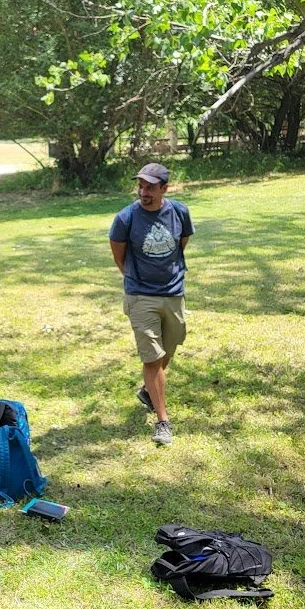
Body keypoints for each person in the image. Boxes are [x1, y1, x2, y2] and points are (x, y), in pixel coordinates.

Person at [109, 162, 194, 446]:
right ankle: (162, 421)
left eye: (150, 187)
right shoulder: (126, 218)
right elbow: (119, 256)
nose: (144, 192)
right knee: (152, 358)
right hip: (141, 295)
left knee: (169, 348)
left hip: (173, 293)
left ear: (164, 189)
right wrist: (137, 282)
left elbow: (181, 243)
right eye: (141, 186)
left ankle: (148, 390)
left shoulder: (179, 212)